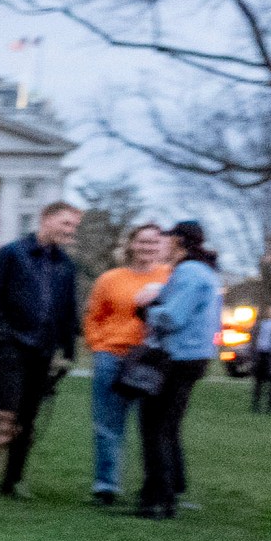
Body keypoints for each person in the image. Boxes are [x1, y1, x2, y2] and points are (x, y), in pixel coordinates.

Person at [0, 200, 84, 499]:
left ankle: (13, 480)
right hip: (12, 348)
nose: (70, 231)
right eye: (66, 224)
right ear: (46, 219)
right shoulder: (12, 254)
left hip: (44, 351)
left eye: (74, 227)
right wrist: (2, 337)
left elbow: (68, 311)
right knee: (5, 415)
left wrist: (68, 352)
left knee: (29, 417)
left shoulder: (65, 264)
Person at [131, 221, 220, 520]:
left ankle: (157, 499)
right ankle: (162, 496)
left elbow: (172, 317)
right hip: (191, 358)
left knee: (156, 428)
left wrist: (146, 309)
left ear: (179, 242)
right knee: (165, 428)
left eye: (167, 239)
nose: (163, 244)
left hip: (176, 359)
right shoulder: (204, 272)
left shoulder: (189, 272)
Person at [81, 223, 170, 506]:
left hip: (151, 359)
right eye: (142, 241)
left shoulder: (170, 277)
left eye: (154, 242)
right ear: (131, 245)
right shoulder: (111, 279)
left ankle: (154, 486)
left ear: (162, 246)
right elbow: (93, 315)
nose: (148, 247)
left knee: (154, 427)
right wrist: (98, 344)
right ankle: (106, 485)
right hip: (113, 355)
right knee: (108, 424)